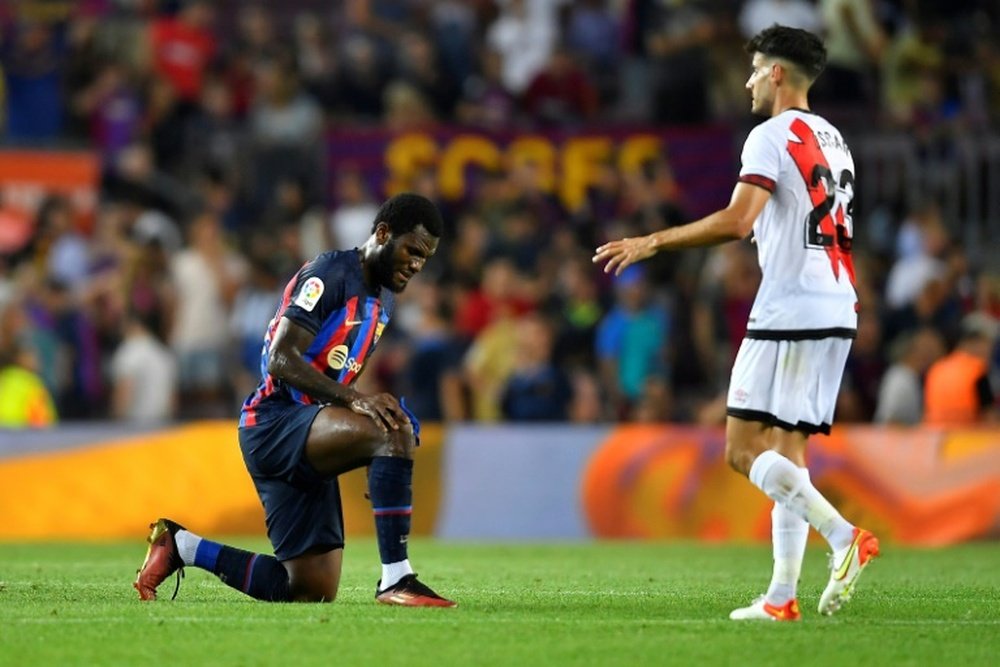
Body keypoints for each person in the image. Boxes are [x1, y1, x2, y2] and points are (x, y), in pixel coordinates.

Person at [593, 25, 879, 621]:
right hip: (836, 306)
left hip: (789, 307)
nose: (747, 81)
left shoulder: (769, 135)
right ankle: (780, 598)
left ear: (776, 73)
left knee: (741, 450)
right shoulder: (835, 137)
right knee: (788, 455)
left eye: (754, 70)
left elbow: (738, 220)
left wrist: (654, 240)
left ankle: (843, 535)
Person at [134, 193, 455, 607]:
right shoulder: (332, 272)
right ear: (382, 233)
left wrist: (376, 452)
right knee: (389, 431)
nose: (416, 264)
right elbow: (280, 358)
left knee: (308, 589)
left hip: (308, 428)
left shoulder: (386, 297)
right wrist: (359, 408)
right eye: (412, 250)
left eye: (424, 258)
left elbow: (337, 366)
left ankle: (181, 545)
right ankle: (397, 579)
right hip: (273, 422)